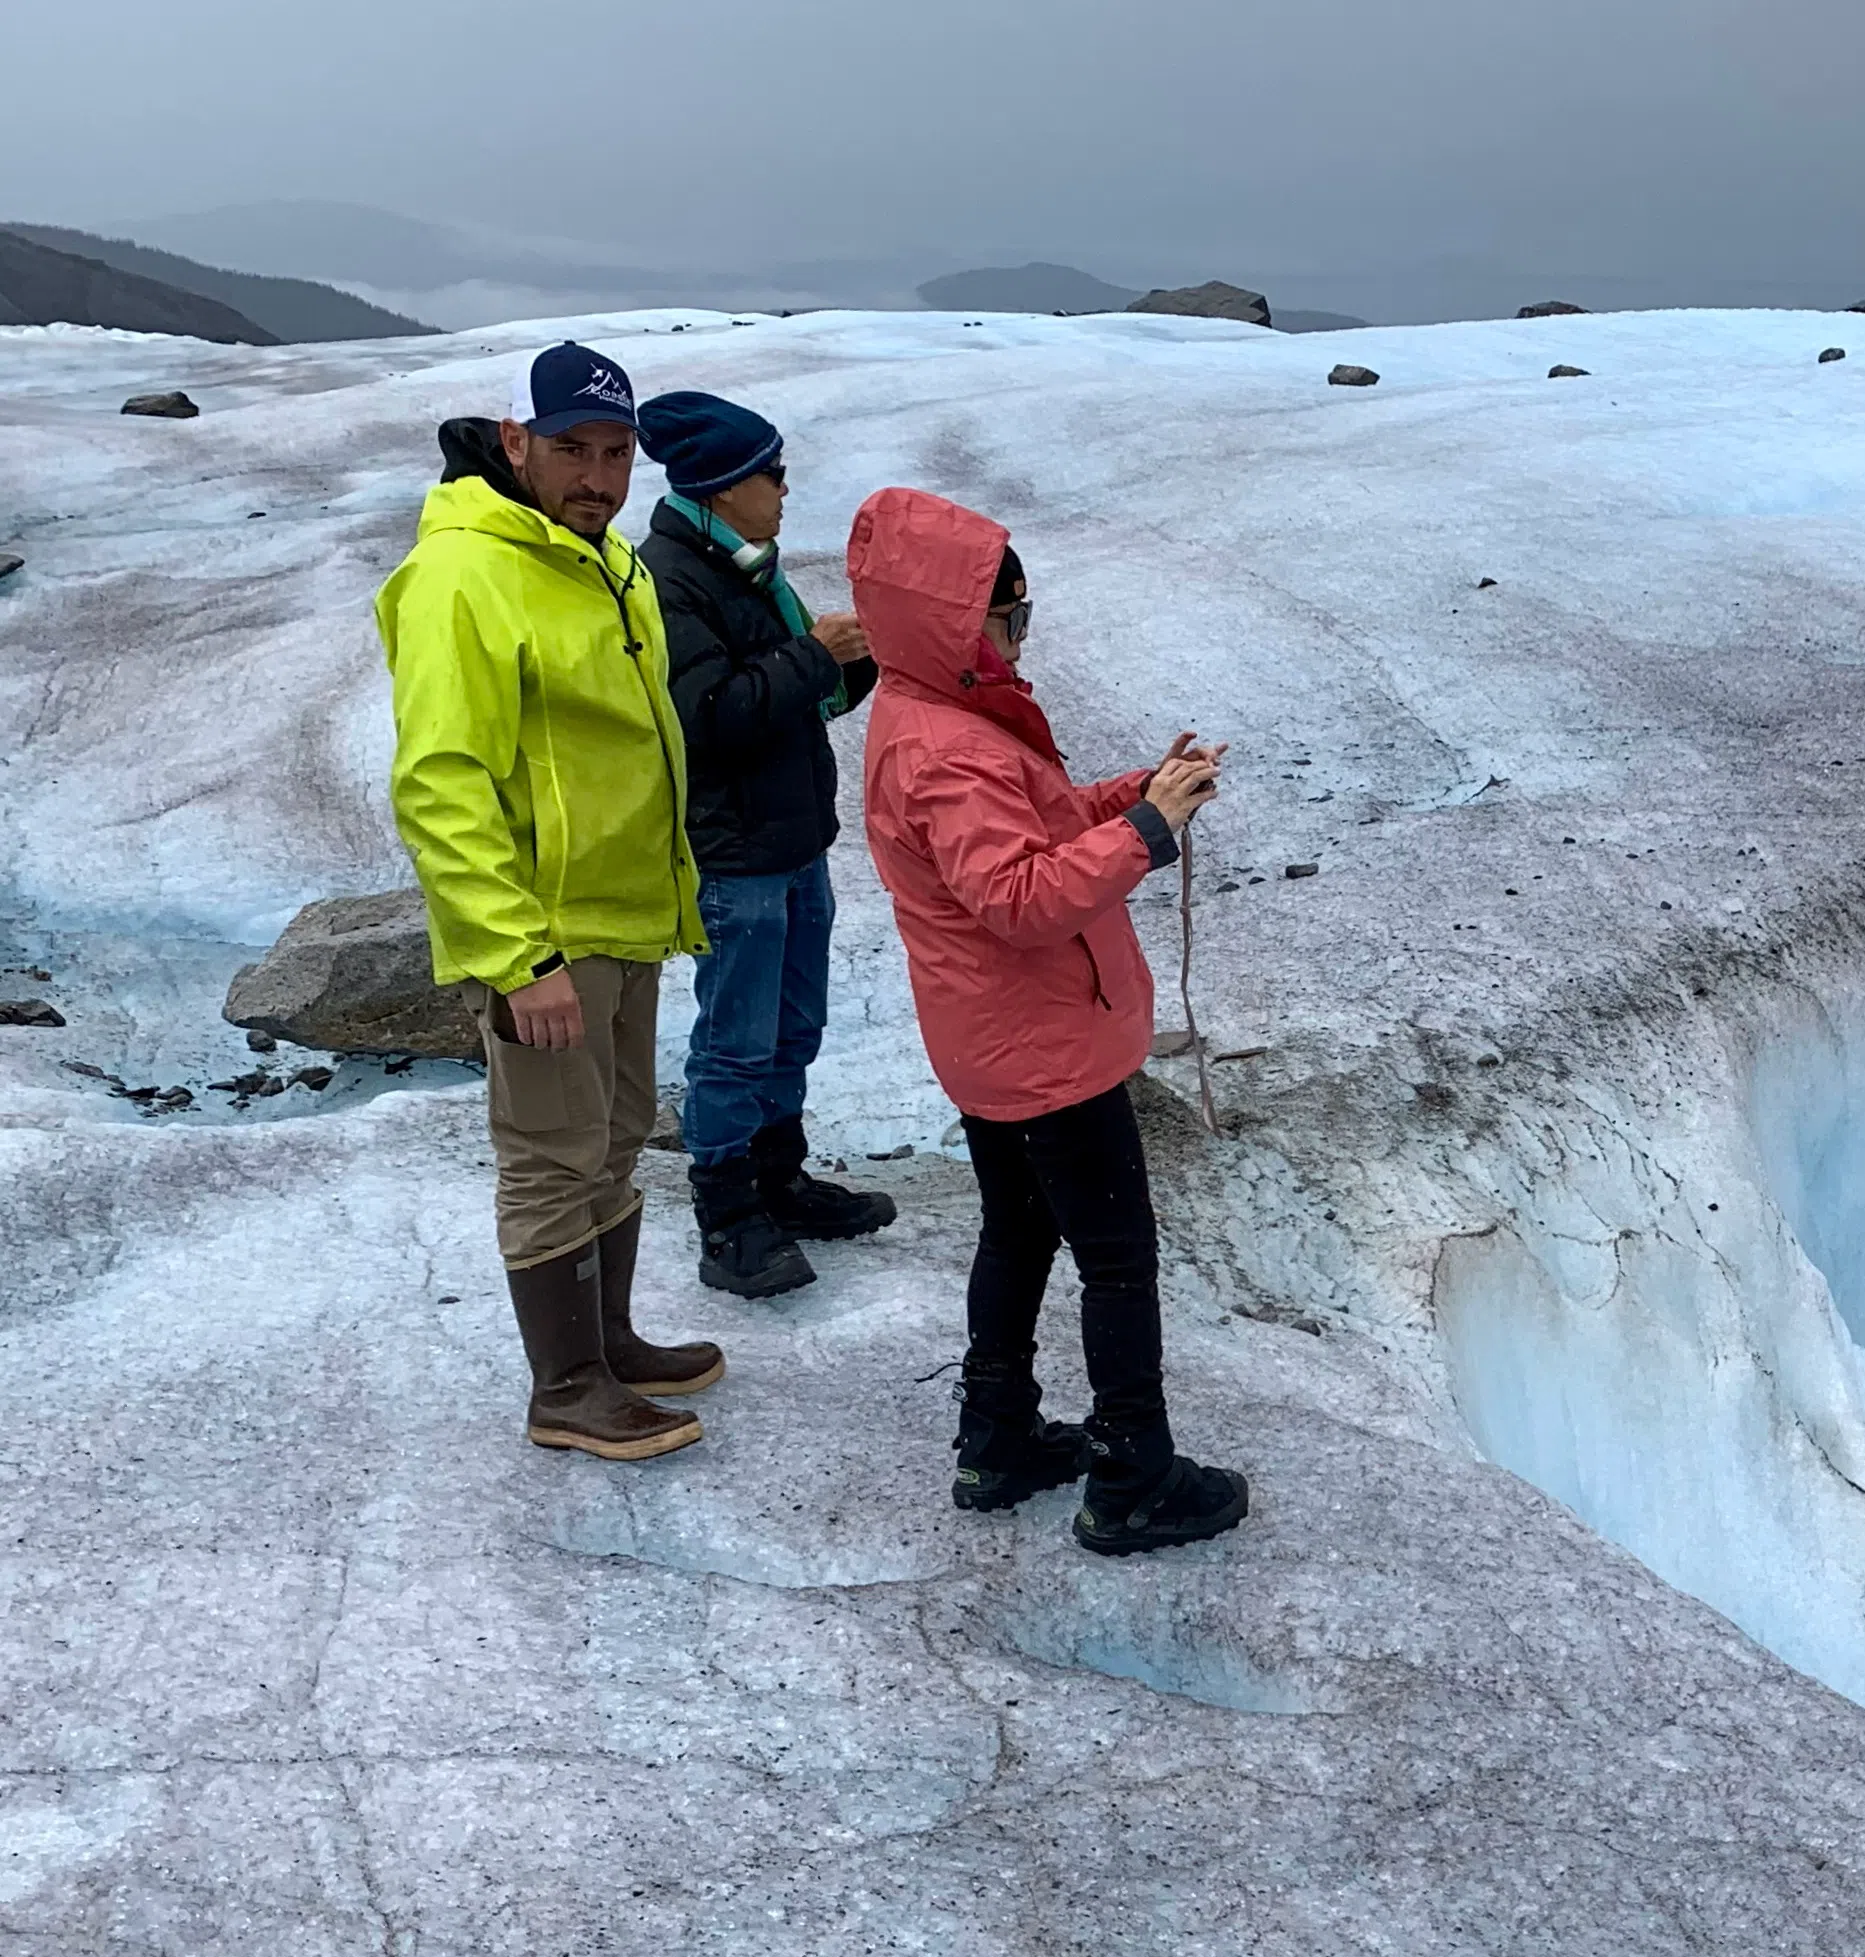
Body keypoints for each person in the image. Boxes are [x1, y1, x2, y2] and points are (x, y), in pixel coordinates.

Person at [844, 485, 1250, 1554]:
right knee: (1115, 1258)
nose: (1017, 639)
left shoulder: (928, 712)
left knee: (1019, 1229)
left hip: (994, 1039)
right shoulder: (944, 745)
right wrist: (1148, 834)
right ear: (950, 620)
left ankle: (998, 1435)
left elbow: (1031, 829)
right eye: (1003, 617)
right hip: (1043, 1045)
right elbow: (1018, 899)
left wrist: (1131, 796)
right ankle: (1132, 1473)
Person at [376, 340, 716, 1460]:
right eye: (572, 447)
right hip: (546, 933)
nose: (600, 475)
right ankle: (565, 1384)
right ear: (513, 440)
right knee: (548, 1156)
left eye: (617, 452)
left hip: (627, 916)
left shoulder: (598, 561)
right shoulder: (465, 574)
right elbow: (441, 779)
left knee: (613, 1138)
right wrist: (517, 957)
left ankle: (607, 1341)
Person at [630, 389, 895, 1299]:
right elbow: (703, 715)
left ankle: (778, 1178)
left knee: (793, 1024)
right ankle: (728, 1215)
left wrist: (846, 663)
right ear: (723, 482)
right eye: (771, 471)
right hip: (733, 852)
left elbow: (792, 701)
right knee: (736, 1039)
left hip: (789, 840)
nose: (785, 486)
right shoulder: (667, 576)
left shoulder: (743, 568)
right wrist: (814, 654)